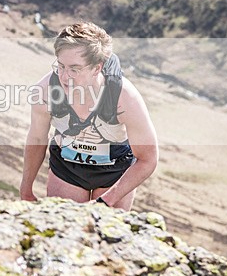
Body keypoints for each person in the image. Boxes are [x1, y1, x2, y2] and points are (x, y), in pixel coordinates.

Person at [20, 22, 158, 210]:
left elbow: (148, 159)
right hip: (67, 167)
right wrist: (26, 189)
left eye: (75, 69)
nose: (65, 77)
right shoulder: (45, 91)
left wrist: (106, 201)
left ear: (96, 68)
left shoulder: (124, 97)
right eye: (61, 66)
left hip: (115, 171)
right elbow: (37, 138)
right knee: (65, 232)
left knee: (104, 234)